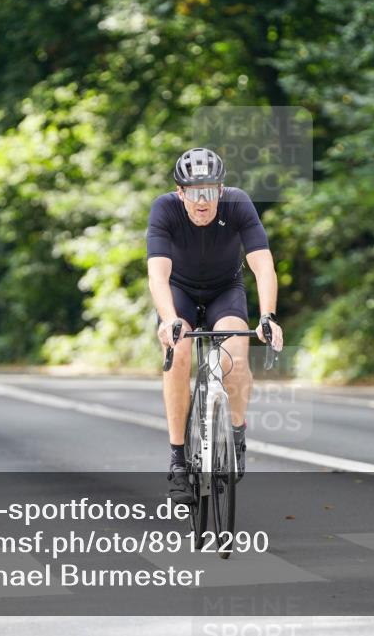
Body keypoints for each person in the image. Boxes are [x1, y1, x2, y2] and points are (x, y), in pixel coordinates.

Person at [147, 147, 283, 505]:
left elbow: (263, 265)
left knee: (237, 357)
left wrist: (267, 316)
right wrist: (168, 317)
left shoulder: (238, 204)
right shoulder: (165, 209)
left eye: (209, 191)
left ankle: (236, 430)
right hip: (181, 293)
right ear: (181, 193)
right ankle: (178, 459)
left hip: (226, 291)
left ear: (221, 190)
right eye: (194, 192)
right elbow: (158, 274)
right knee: (177, 353)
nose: (202, 201)